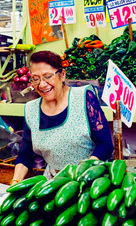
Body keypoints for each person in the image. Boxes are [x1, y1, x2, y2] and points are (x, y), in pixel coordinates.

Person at [11, 50, 113, 183]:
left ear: (62, 75)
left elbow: (105, 144)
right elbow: (25, 154)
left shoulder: (83, 98)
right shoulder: (31, 110)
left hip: (91, 181)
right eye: (36, 79)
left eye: (48, 76)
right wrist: (14, 183)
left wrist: (84, 173)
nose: (42, 85)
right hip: (54, 184)